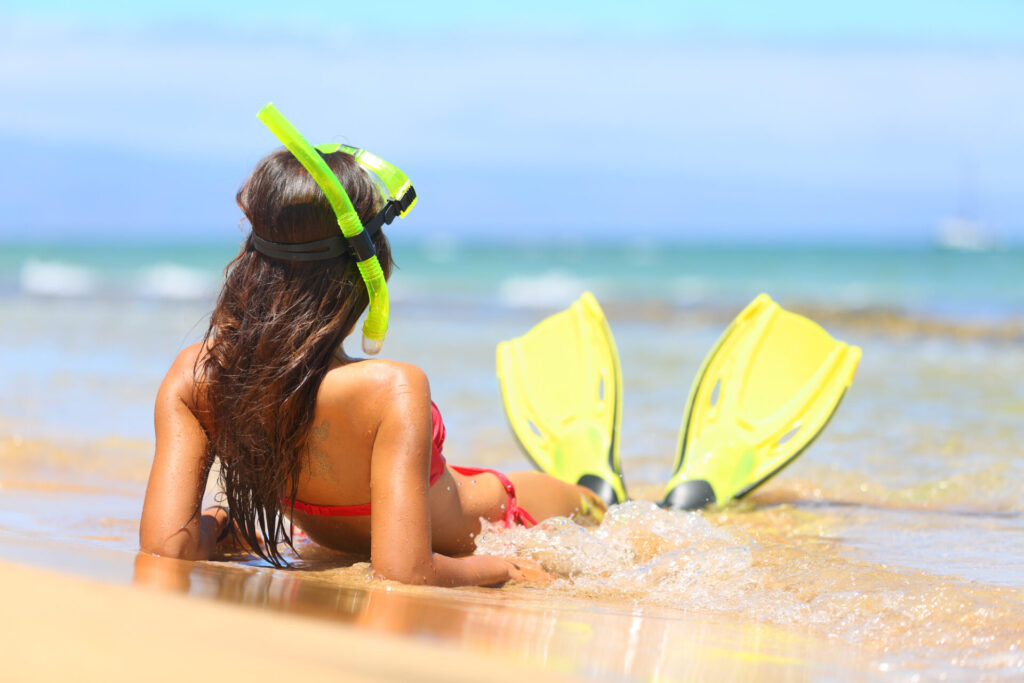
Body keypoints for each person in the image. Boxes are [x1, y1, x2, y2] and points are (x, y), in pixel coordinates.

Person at [139, 140, 605, 587]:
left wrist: (217, 526)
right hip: (496, 518)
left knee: (595, 508)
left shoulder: (196, 376)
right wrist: (504, 568)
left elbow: (166, 545)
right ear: (368, 275)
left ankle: (597, 488)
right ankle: (597, 488)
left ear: (252, 265)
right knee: (596, 509)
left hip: (508, 509)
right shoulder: (391, 388)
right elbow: (405, 572)